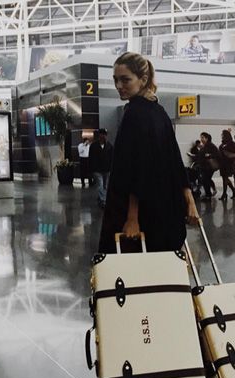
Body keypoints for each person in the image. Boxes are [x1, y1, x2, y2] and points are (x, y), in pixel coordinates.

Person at [98, 52, 199, 253]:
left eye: (125, 80)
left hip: (139, 213)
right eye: (116, 80)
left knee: (131, 265)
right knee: (162, 263)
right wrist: (189, 201)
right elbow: (175, 160)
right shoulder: (158, 112)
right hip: (164, 209)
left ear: (143, 79)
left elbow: (136, 168)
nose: (119, 85)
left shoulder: (134, 113)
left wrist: (132, 218)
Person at [89, 129, 113, 209]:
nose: (103, 136)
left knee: (105, 185)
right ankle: (103, 200)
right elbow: (91, 158)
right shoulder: (93, 146)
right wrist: (91, 169)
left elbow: (112, 158)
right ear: (99, 135)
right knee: (100, 184)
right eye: (102, 134)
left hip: (106, 169)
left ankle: (101, 198)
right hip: (97, 169)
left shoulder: (109, 146)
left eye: (105, 134)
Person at [197, 132, 220, 201]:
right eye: (201, 137)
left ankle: (208, 196)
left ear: (207, 138)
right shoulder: (204, 146)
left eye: (203, 137)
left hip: (208, 167)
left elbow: (217, 154)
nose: (201, 139)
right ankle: (208, 194)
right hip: (204, 166)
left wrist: (209, 155)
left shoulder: (210, 145)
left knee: (205, 180)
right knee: (206, 180)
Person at [218, 130, 235, 201]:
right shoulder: (222, 144)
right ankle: (233, 191)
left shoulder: (232, 143)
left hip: (229, 164)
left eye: (223, 134)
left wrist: (226, 148)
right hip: (222, 164)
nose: (222, 136)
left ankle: (224, 194)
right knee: (225, 178)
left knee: (225, 179)